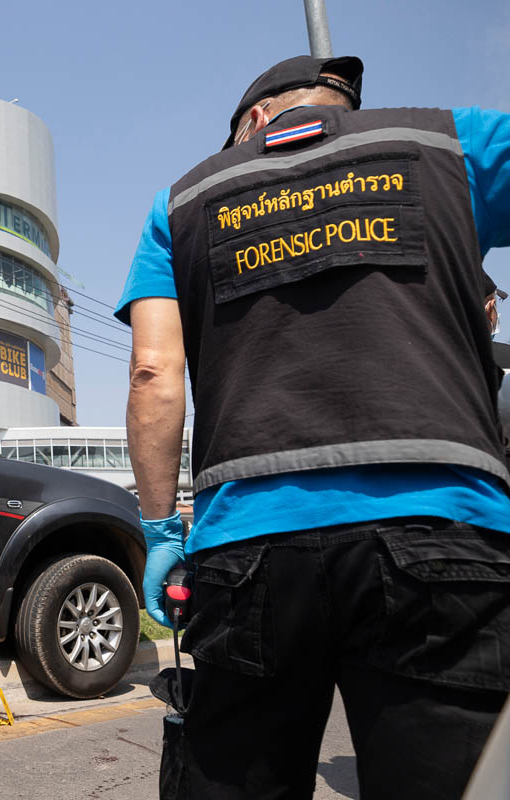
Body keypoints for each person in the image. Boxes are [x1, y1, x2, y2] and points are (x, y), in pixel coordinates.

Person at [116, 55, 510, 799]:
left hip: (249, 548)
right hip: (441, 528)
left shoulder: (182, 203)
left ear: (257, 120)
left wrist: (161, 527)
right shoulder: (451, 146)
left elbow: (153, 374)